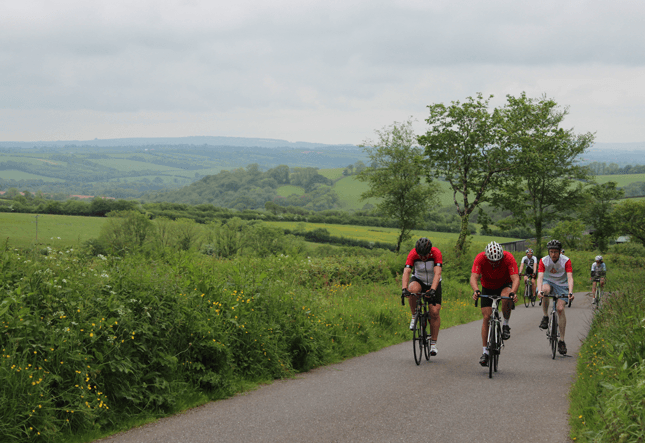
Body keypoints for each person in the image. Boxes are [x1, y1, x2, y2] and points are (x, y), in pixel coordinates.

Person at [470, 241, 520, 367]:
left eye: (497, 261)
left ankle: (506, 324)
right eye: (492, 262)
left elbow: (515, 278)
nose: (495, 264)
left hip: (504, 285)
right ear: (487, 256)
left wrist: (513, 292)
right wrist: (476, 290)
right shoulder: (480, 258)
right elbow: (474, 277)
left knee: (505, 297)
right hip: (487, 287)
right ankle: (485, 352)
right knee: (486, 317)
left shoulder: (508, 258)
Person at [402, 237, 443, 356]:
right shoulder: (413, 253)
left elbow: (437, 273)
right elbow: (407, 271)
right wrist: (404, 288)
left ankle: (433, 344)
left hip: (433, 282)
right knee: (412, 290)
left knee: (434, 312)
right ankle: (415, 315)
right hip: (419, 280)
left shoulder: (436, 253)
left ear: (429, 251)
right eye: (420, 255)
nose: (422, 258)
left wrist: (433, 290)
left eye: (425, 255)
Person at [537, 239, 575, 355]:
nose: (553, 254)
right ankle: (545, 316)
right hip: (548, 282)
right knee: (545, 290)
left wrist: (570, 292)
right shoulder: (544, 260)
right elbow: (540, 277)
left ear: (560, 252)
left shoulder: (566, 261)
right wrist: (539, 290)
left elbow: (569, 278)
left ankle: (562, 341)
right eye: (551, 251)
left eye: (555, 252)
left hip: (562, 285)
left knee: (560, 309)